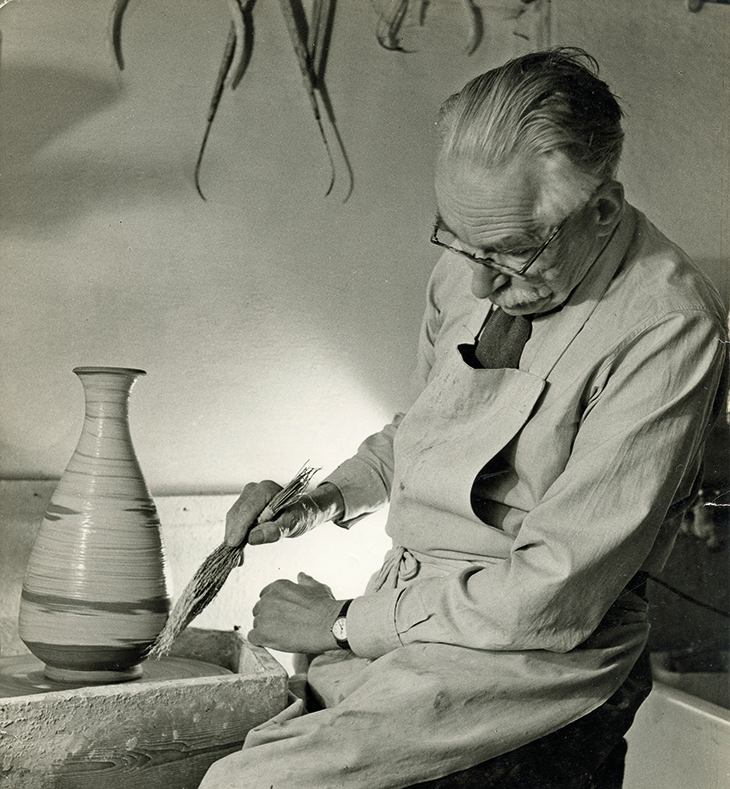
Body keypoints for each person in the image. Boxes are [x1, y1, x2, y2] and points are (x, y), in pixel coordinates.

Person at [199, 48, 728, 789]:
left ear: (601, 211)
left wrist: (344, 622)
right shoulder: (470, 268)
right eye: (455, 235)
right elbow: (422, 432)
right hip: (413, 619)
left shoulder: (668, 325)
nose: (478, 280)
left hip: (536, 656)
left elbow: (553, 588)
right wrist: (316, 500)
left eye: (511, 252)